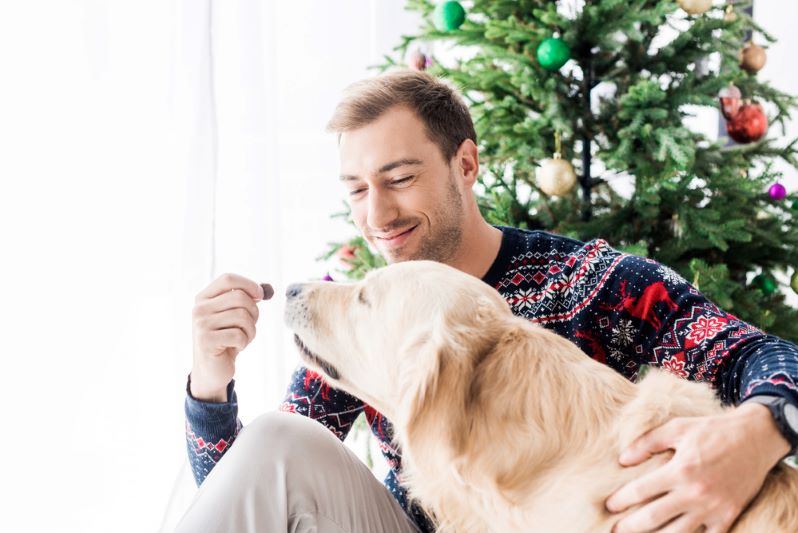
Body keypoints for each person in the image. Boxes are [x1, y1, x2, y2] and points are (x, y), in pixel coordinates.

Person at [175, 70, 798, 533]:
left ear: (466, 163)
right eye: (357, 189)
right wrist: (210, 381)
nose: (377, 215)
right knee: (278, 436)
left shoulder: (593, 282)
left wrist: (760, 433)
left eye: (399, 178)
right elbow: (256, 495)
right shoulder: (370, 320)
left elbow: (760, 356)